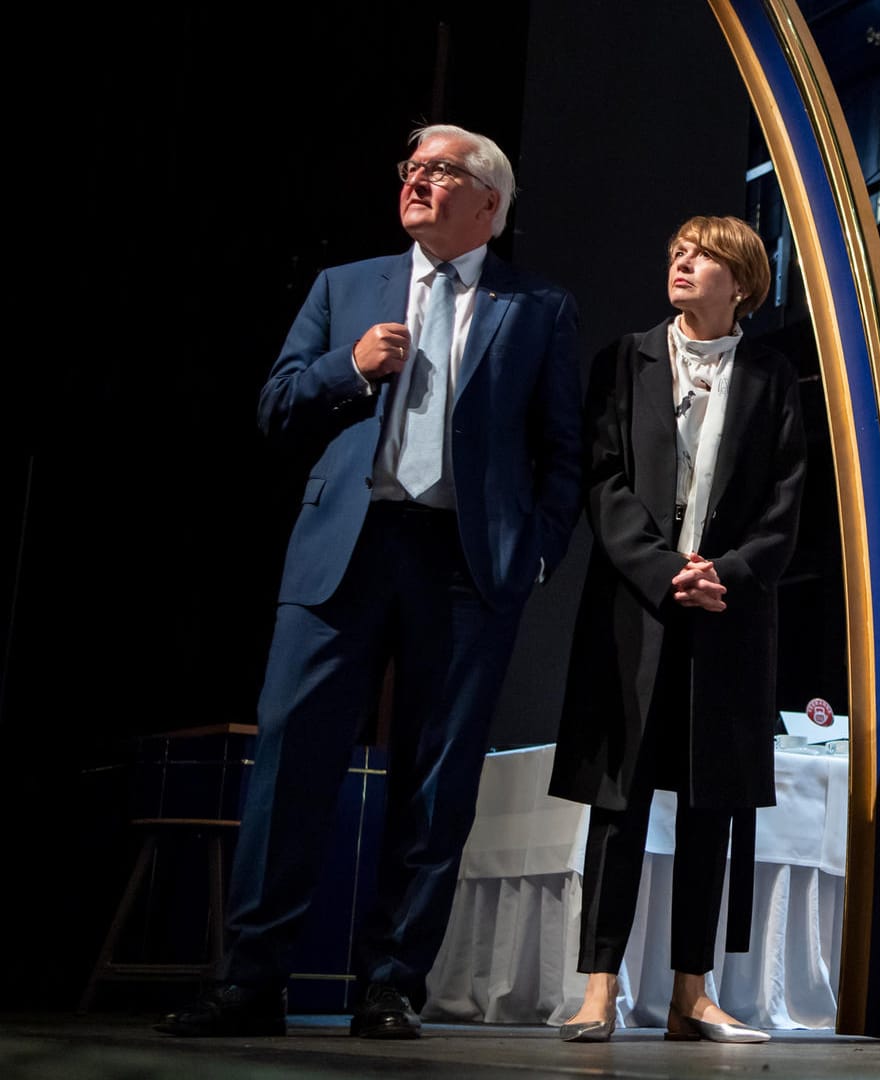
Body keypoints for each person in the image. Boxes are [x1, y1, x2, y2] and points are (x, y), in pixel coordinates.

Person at [158, 125, 582, 1038]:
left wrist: (534, 554)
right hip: (343, 551)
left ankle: (391, 982)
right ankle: (251, 980)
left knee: (435, 782)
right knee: (291, 763)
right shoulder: (343, 287)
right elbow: (276, 404)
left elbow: (563, 451)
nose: (419, 181)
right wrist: (347, 369)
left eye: (443, 171)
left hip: (466, 568)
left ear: (490, 204)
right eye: (413, 169)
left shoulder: (538, 306)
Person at [545, 216, 805, 1044]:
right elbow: (606, 481)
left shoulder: (773, 376)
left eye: (702, 257)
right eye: (676, 256)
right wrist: (666, 571)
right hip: (638, 608)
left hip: (727, 618)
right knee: (617, 805)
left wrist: (720, 573)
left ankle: (693, 992)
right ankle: (598, 987)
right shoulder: (625, 360)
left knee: (711, 805)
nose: (682, 265)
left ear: (743, 282)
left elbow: (785, 505)